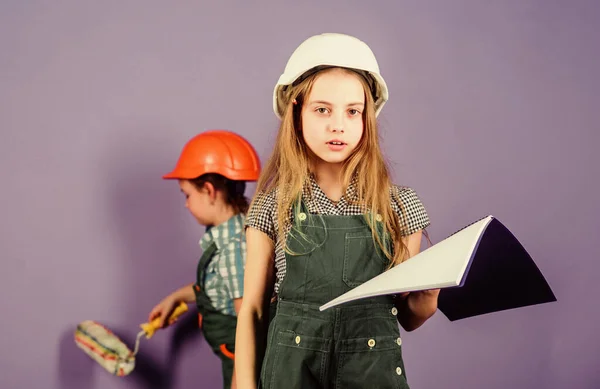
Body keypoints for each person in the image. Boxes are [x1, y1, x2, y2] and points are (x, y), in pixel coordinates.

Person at [234, 33, 439, 389]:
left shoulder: (400, 207)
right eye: (322, 109)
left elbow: (409, 317)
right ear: (296, 111)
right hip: (289, 377)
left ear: (367, 118)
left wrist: (429, 297)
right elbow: (252, 311)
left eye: (352, 111)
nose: (338, 125)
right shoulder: (272, 206)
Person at [148, 129, 260, 389]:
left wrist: (240, 382)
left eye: (187, 195)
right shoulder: (226, 234)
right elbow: (217, 285)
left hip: (240, 360)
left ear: (209, 191)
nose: (186, 204)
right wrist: (177, 298)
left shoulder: (233, 249)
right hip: (232, 354)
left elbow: (249, 326)